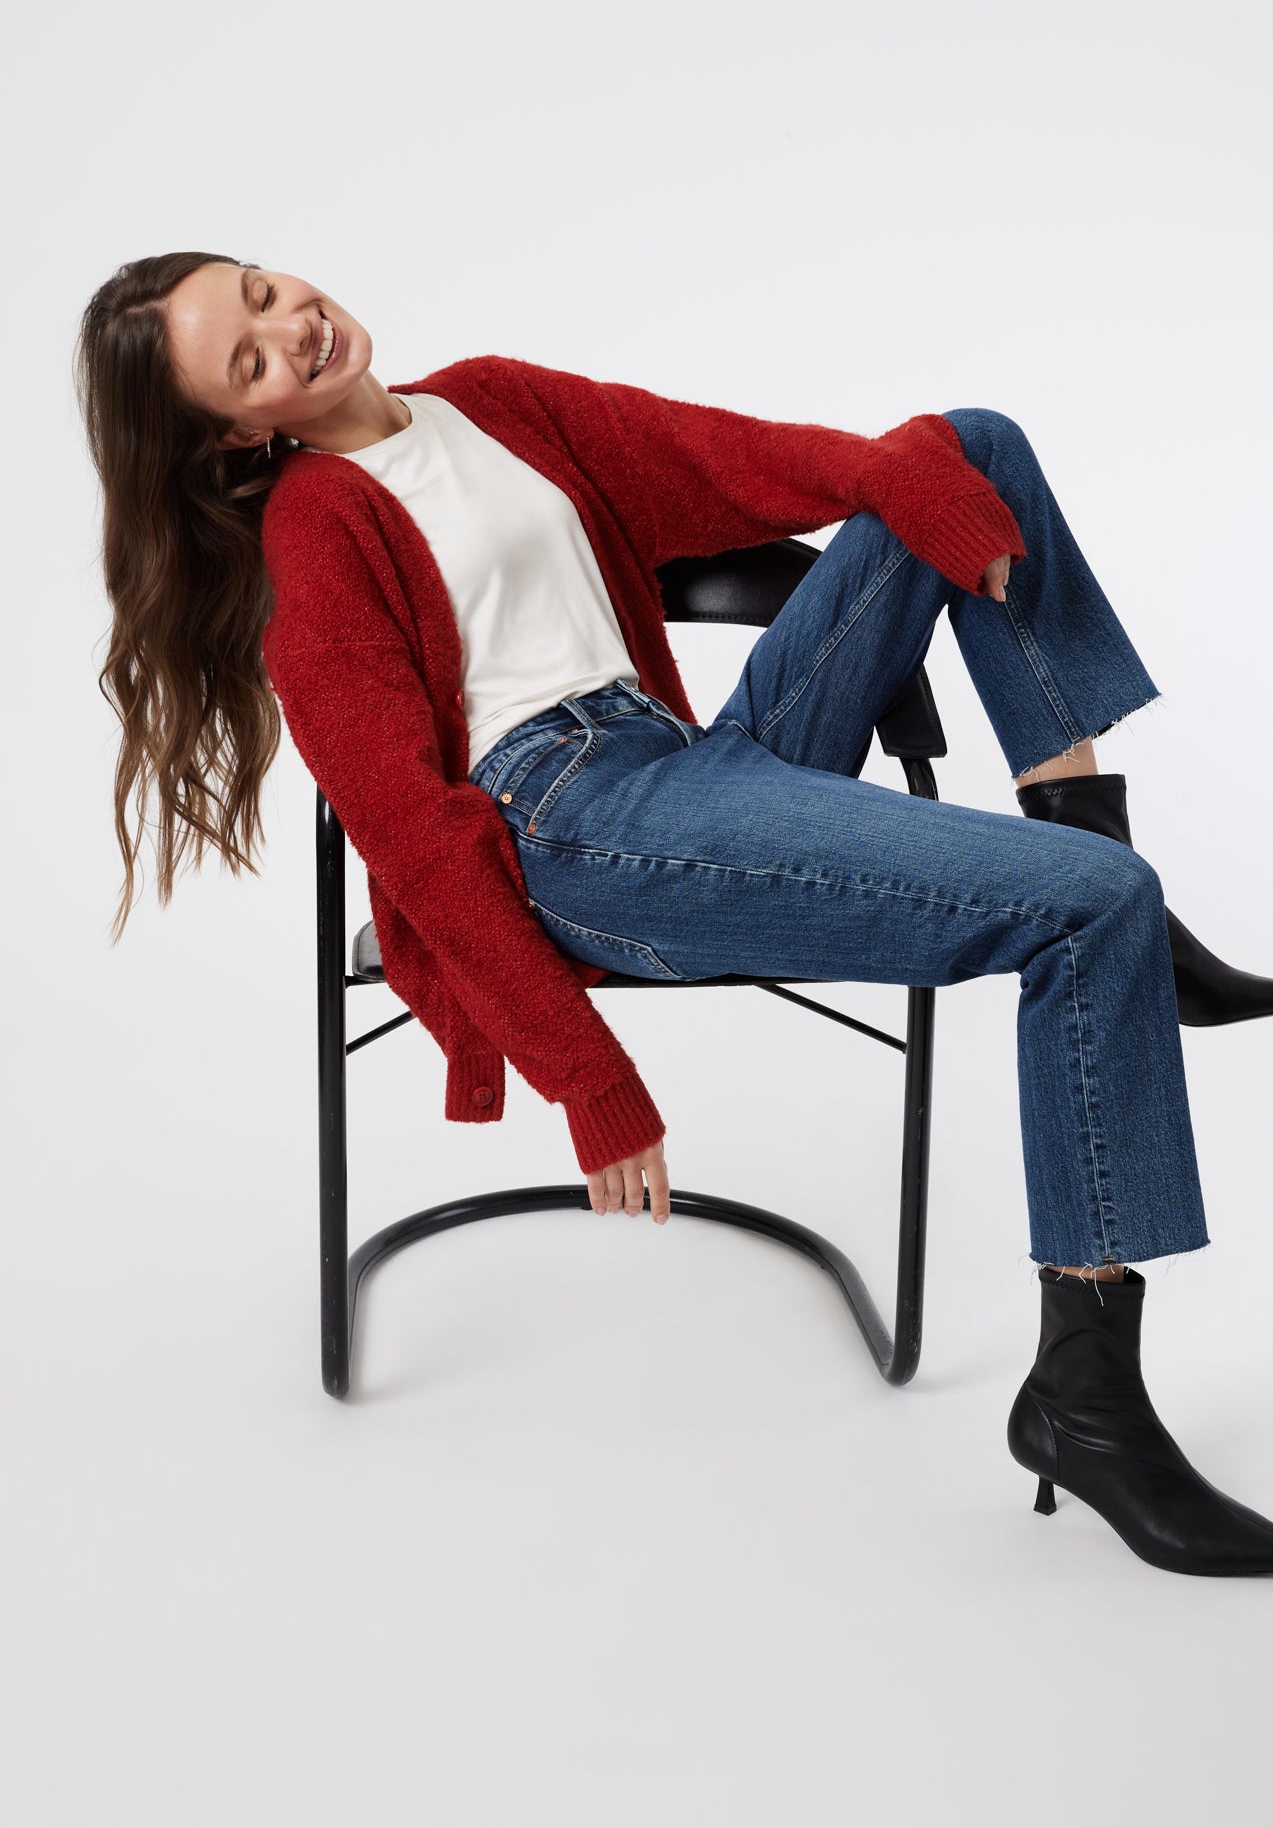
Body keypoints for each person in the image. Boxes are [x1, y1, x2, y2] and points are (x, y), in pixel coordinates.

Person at [76, 250, 1273, 1577]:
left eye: (261, 293)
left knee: (962, 449)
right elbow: (409, 832)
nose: (288, 330)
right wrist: (587, 1079)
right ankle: (1087, 1404)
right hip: (574, 828)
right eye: (246, 363)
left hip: (688, 760)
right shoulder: (315, 528)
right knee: (1095, 910)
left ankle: (1100, 867)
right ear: (237, 434)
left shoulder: (490, 401)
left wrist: (879, 474)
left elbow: (710, 458)